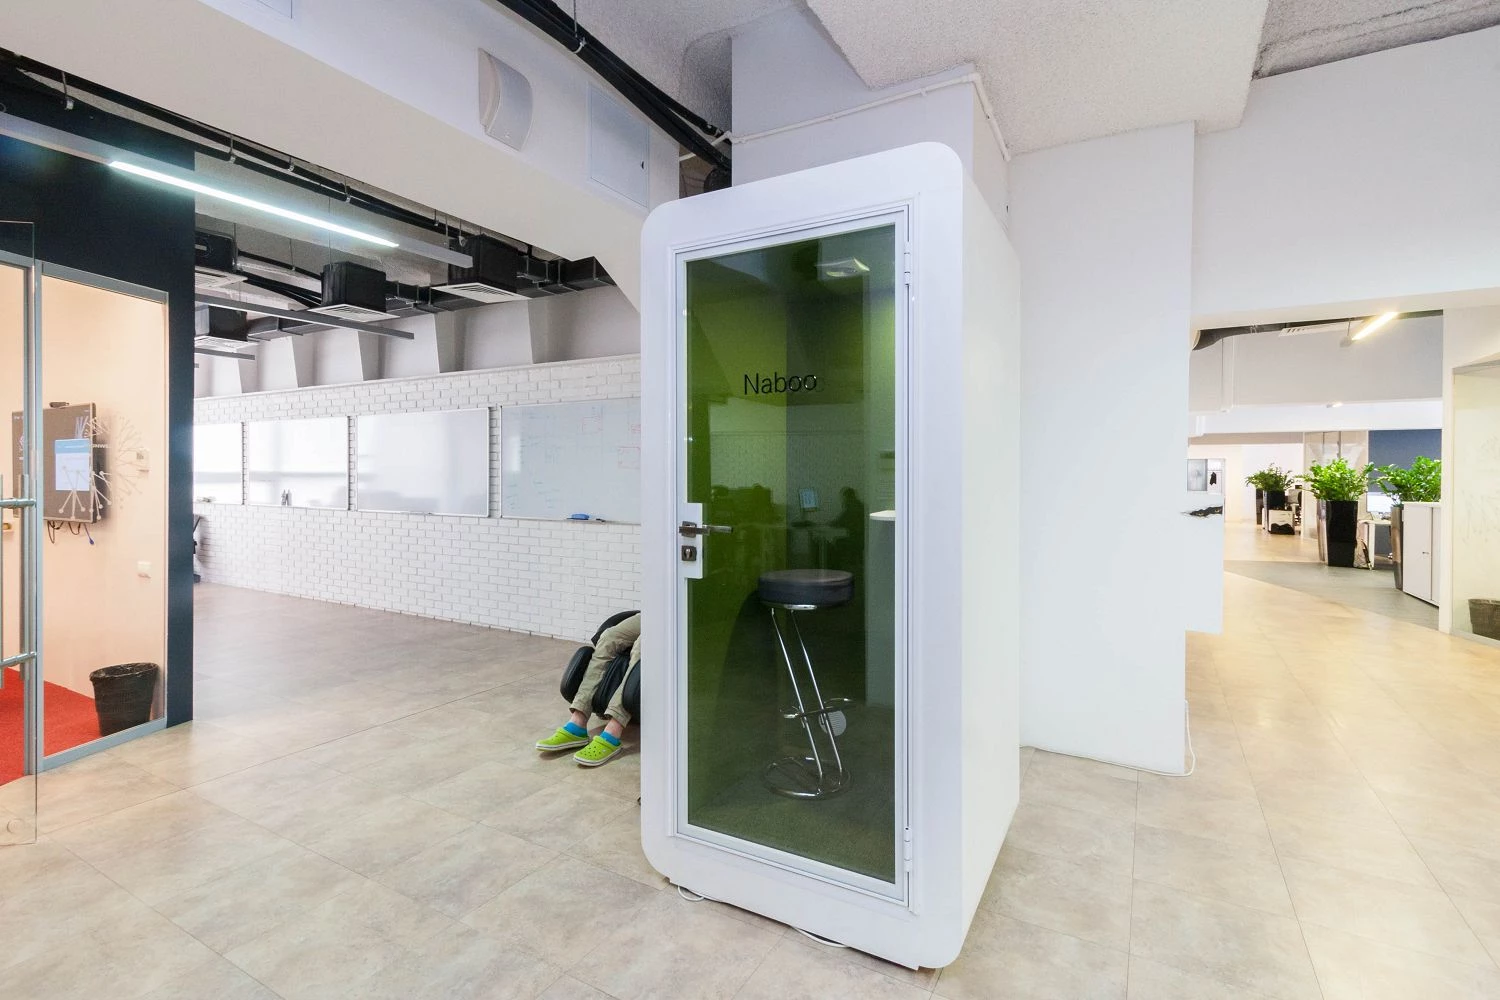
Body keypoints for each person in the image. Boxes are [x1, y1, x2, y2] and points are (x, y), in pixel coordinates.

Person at [535, 612, 639, 767]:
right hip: (654, 611)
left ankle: (612, 732)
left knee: (644, 644)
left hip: (677, 618)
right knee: (609, 636)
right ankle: (577, 724)